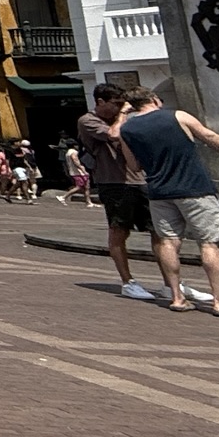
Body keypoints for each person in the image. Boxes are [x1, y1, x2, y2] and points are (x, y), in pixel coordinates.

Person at [118, 89, 219, 318]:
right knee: (210, 243)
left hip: (159, 192)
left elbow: (134, 166)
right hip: (194, 188)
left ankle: (177, 297)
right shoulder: (177, 116)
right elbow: (212, 139)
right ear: (153, 99)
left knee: (168, 242)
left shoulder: (127, 129)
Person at [78, 82, 154, 293]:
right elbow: (112, 134)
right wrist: (123, 115)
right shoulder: (88, 120)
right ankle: (128, 282)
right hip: (113, 182)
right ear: (100, 101)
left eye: (122, 104)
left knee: (158, 230)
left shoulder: (124, 120)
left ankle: (171, 283)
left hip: (140, 180)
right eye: (116, 103)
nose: (120, 108)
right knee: (119, 230)